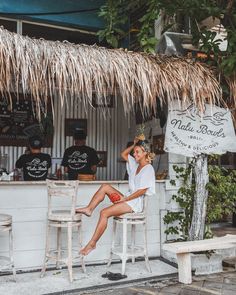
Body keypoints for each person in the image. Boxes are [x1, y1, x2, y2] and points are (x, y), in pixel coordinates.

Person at [76, 138, 156, 256]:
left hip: (135, 204)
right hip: (128, 199)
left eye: (137, 152)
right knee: (105, 187)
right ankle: (89, 209)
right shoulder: (135, 164)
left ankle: (92, 243)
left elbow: (142, 191)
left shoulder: (148, 169)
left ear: (145, 153)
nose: (134, 154)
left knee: (104, 213)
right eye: (134, 152)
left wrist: (125, 199)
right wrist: (134, 144)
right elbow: (123, 154)